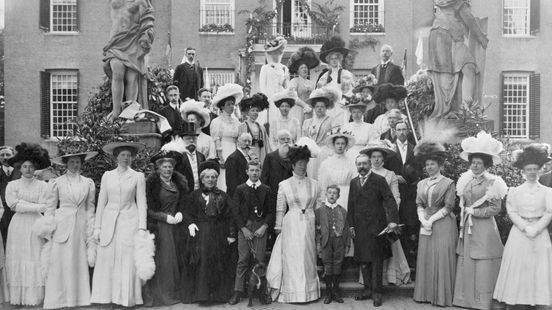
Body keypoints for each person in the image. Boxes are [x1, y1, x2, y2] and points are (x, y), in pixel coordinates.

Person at [453, 131, 507, 310]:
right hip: (467, 228)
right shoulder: (466, 180)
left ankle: (483, 302)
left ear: (486, 165)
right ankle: (465, 300)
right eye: (473, 162)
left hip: (484, 230)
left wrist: (474, 211)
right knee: (467, 262)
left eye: (479, 163)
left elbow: (495, 208)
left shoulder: (493, 182)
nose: (475, 166)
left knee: (482, 263)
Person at [494, 144, 552, 309]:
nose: (532, 172)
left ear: (540, 170)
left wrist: (536, 228)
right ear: (523, 172)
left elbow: (549, 212)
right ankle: (518, 299)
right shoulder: (515, 191)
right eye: (529, 169)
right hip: (519, 233)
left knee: (538, 266)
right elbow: (512, 211)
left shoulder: (547, 192)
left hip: (540, 233)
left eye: (535, 169)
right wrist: (526, 228)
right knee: (519, 265)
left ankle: (538, 299)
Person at [91, 141, 148, 307]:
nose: (126, 158)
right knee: (108, 259)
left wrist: (142, 228)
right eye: (122, 155)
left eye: (129, 155)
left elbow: (142, 202)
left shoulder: (138, 176)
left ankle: (126, 298)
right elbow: (101, 202)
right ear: (116, 157)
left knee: (127, 259)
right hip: (109, 222)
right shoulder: (107, 175)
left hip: (130, 220)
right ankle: (106, 298)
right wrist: (98, 227)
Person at [266, 140, 321, 303]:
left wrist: (318, 225)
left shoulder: (315, 184)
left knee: (308, 256)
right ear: (292, 165)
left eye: (305, 163)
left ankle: (309, 293)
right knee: (293, 257)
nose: (302, 167)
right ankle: (293, 293)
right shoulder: (284, 185)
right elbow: (280, 209)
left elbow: (318, 206)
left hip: (309, 221)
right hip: (292, 223)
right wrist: (278, 225)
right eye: (299, 164)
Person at [43, 151, 98, 309]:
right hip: (62, 224)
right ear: (66, 164)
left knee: (78, 260)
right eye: (72, 162)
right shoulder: (56, 182)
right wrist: (49, 228)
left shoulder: (88, 182)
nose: (75, 165)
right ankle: (58, 299)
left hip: (81, 225)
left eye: (78, 162)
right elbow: (50, 207)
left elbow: (90, 207)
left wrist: (90, 226)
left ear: (81, 163)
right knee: (61, 261)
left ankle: (79, 299)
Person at [180, 160, 237, 303]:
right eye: (207, 177)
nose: (210, 180)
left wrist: (231, 234)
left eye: (213, 177)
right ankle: (202, 295)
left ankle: (218, 295)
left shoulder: (223, 196)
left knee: (218, 261)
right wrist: (191, 224)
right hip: (201, 234)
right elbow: (187, 213)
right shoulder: (194, 195)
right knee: (202, 262)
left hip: (219, 232)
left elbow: (231, 216)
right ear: (202, 179)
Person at [348, 152, 399, 307]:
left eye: (364, 163)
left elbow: (390, 200)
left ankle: (377, 293)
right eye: (359, 164)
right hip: (360, 228)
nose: (362, 167)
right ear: (356, 166)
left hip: (377, 227)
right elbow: (351, 205)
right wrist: (351, 225)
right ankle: (367, 290)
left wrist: (392, 221)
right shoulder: (353, 182)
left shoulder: (379, 180)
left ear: (370, 164)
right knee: (364, 261)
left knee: (376, 262)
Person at [4, 143, 52, 305]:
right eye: (25, 166)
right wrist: (33, 206)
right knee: (19, 256)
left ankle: (35, 297)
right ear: (19, 168)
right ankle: (18, 297)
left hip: (36, 225)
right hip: (17, 225)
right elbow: (13, 205)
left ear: (36, 167)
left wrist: (24, 204)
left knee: (35, 256)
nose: (28, 169)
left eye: (31, 166)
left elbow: (46, 205)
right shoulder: (12, 185)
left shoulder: (43, 186)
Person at [413, 139, 458, 307]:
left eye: (432, 164)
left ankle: (441, 297)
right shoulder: (421, 183)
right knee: (427, 258)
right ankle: (425, 294)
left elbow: (449, 206)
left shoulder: (448, 183)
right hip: (425, 223)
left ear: (439, 164)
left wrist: (431, 219)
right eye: (427, 165)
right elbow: (419, 203)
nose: (429, 167)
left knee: (441, 257)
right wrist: (423, 219)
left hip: (443, 223)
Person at [428, 0, 488, 119]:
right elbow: (468, 18)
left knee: (457, 71)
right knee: (463, 69)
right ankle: (464, 111)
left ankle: (463, 110)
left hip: (439, 34)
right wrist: (482, 38)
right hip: (448, 35)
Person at [143, 151, 189, 307]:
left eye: (170, 167)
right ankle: (162, 295)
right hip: (160, 226)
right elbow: (148, 209)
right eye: (164, 167)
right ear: (158, 168)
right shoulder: (152, 185)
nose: (168, 170)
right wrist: (165, 217)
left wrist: (181, 212)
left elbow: (183, 202)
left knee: (175, 259)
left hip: (176, 226)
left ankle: (174, 292)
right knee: (164, 260)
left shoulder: (178, 183)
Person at [362, 140, 411, 286]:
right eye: (373, 157)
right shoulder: (365, 174)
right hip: (369, 217)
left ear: (383, 158)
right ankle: (369, 280)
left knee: (388, 244)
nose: (376, 159)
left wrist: (390, 215)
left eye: (379, 156)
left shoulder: (390, 175)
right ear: (369, 159)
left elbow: (396, 197)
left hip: (386, 216)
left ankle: (390, 276)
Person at [228, 160, 273, 305]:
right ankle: (238, 291)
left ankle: (261, 292)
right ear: (247, 171)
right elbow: (235, 211)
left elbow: (270, 212)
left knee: (259, 260)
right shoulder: (240, 189)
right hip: (245, 228)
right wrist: (243, 229)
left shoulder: (266, 189)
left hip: (260, 229)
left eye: (257, 170)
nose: (254, 173)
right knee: (243, 260)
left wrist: (264, 227)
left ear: (260, 171)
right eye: (252, 170)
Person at [103, 0, 154, 119]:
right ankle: (116, 112)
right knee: (117, 71)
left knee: (132, 77)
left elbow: (148, 20)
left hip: (133, 41)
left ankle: (129, 113)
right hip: (116, 41)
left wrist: (146, 36)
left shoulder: (141, 1)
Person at [393, 121, 422, 278]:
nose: (402, 132)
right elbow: (386, 166)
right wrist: (395, 176)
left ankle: (410, 261)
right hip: (396, 190)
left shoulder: (415, 148)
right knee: (398, 225)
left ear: (408, 131)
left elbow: (420, 168)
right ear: (395, 132)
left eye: (404, 129)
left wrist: (412, 178)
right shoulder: (390, 148)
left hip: (411, 192)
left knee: (411, 224)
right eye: (399, 130)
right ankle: (398, 262)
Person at [315, 185, 350, 304]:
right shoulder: (320, 211)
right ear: (326, 194)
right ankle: (329, 293)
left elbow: (346, 229)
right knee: (327, 265)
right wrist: (318, 242)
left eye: (334, 193)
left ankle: (336, 291)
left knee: (338, 264)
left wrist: (347, 244)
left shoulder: (343, 210)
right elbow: (315, 227)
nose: (332, 195)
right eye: (329, 192)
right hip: (326, 241)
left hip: (339, 241)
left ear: (338, 196)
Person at [261, 129, 294, 250]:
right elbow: (264, 179)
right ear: (277, 141)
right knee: (276, 227)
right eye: (282, 139)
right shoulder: (270, 157)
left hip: (291, 199)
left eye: (288, 139)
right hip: (274, 198)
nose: (286, 142)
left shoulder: (295, 157)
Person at [301, 85, 341, 180]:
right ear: (314, 108)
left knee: (323, 177)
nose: (319, 109)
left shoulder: (331, 121)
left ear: (326, 108)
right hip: (310, 153)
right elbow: (304, 138)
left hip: (325, 152)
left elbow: (335, 138)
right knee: (311, 176)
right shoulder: (308, 122)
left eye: (322, 106)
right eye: (317, 106)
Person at [210, 83, 243, 191]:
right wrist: (220, 158)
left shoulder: (236, 122)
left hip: (234, 150)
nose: (232, 107)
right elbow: (216, 140)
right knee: (223, 179)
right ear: (222, 106)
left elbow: (239, 139)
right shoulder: (217, 122)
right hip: (223, 150)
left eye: (233, 104)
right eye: (229, 104)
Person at [318, 127, 357, 209]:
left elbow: (355, 183)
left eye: (342, 144)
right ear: (333, 145)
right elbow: (323, 185)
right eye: (338, 143)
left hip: (347, 195)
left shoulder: (351, 163)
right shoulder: (326, 163)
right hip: (331, 196)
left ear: (346, 145)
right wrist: (323, 201)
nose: (340, 146)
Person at [162, 122, 206, 192]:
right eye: (188, 138)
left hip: (199, 193)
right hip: (183, 194)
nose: (191, 141)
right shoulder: (177, 156)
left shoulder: (201, 156)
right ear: (182, 140)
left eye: (194, 138)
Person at [258, 36, 289, 125]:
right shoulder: (265, 68)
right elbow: (262, 87)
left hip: (281, 98)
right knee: (269, 121)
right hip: (269, 98)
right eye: (275, 53)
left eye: (280, 53)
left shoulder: (284, 68)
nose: (278, 55)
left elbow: (286, 86)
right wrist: (266, 99)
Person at [287, 46, 319, 125]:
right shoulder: (294, 81)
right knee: (298, 129)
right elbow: (292, 96)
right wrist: (304, 105)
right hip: (298, 110)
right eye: (302, 68)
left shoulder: (311, 83)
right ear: (297, 71)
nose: (304, 69)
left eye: (306, 68)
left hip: (310, 111)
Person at [238, 93, 271, 164]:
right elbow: (240, 144)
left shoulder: (262, 128)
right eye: (253, 110)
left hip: (261, 154)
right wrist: (252, 157)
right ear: (247, 112)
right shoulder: (242, 126)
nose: (255, 113)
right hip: (248, 156)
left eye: (257, 110)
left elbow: (267, 145)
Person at [225, 133, 253, 198]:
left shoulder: (249, 157)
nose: (247, 143)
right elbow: (231, 183)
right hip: (237, 197)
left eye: (249, 141)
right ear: (238, 142)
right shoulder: (233, 158)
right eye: (244, 141)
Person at [0, 146, 15, 246]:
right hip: (3, 211)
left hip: (18, 210)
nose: (5, 157)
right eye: (2, 155)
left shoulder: (21, 172)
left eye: (8, 155)